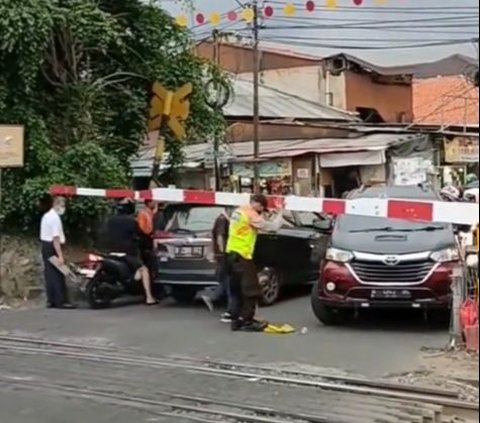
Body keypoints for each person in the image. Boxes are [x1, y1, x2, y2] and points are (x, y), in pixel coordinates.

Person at [226, 194, 283, 332]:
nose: (261, 211)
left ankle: (236, 320)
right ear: (257, 204)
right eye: (261, 208)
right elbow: (273, 227)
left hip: (231, 254)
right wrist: (280, 211)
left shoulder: (239, 211)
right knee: (252, 290)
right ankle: (247, 321)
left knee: (237, 290)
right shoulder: (251, 214)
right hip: (243, 256)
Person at [104, 198, 157, 305]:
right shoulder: (131, 221)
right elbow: (141, 234)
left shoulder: (110, 220)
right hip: (127, 253)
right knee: (144, 269)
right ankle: (149, 297)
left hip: (111, 252)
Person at [40, 196, 75, 309]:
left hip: (45, 246)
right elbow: (56, 238)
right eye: (62, 206)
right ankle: (61, 301)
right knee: (58, 273)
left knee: (49, 273)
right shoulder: (54, 218)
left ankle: (51, 300)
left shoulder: (46, 215)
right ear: (57, 205)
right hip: (52, 246)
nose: (63, 209)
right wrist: (60, 255)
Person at [200, 208, 233, 321]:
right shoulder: (222, 220)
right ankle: (230, 311)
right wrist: (223, 252)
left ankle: (210, 295)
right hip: (224, 256)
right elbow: (220, 237)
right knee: (230, 283)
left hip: (222, 255)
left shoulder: (223, 219)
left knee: (225, 281)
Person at [137, 199, 158, 278]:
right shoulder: (143, 213)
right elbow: (142, 228)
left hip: (149, 237)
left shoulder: (149, 212)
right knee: (146, 258)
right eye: (153, 202)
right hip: (145, 238)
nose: (155, 203)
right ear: (149, 203)